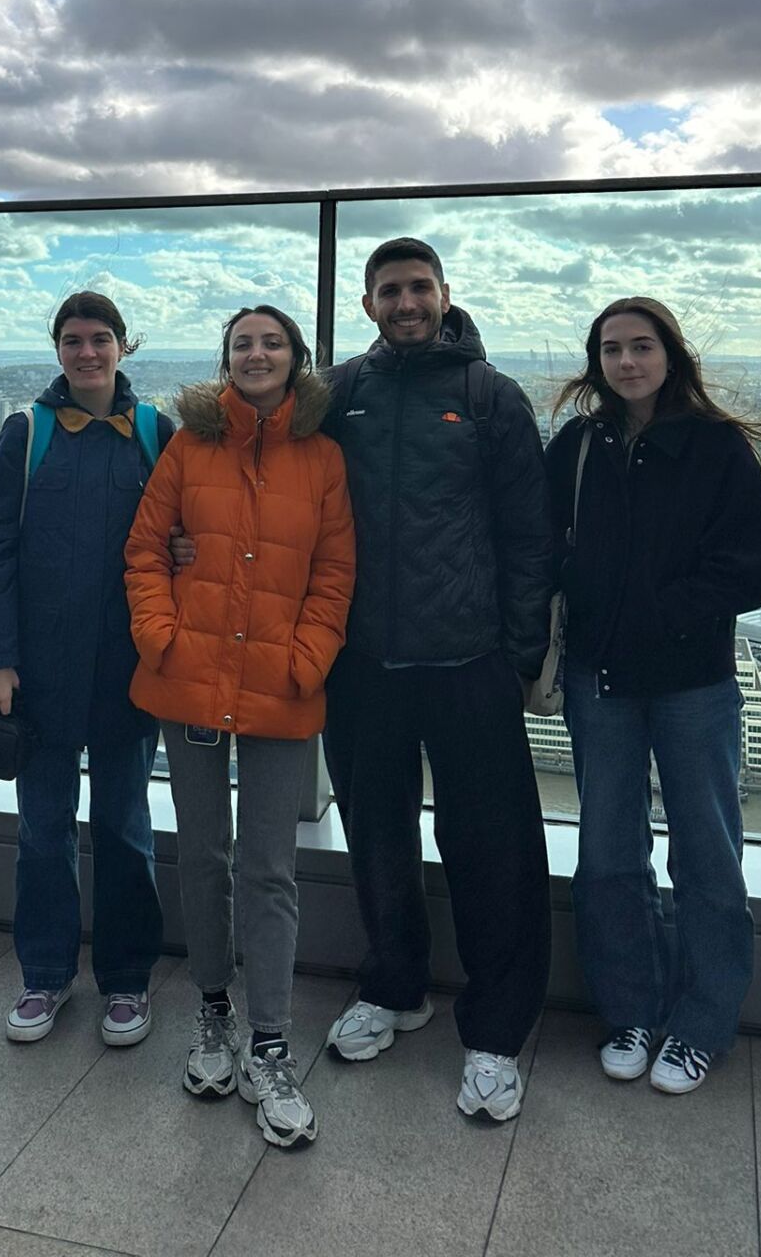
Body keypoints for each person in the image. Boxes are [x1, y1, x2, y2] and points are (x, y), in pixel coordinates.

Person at [318, 239, 553, 1124]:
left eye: (419, 288)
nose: (406, 302)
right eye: (391, 291)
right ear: (370, 304)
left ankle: (494, 1031)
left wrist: (518, 655)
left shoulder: (489, 395)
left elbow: (529, 536)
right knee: (376, 837)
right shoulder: (343, 394)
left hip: (469, 664)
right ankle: (394, 985)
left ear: (445, 294)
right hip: (364, 664)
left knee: (493, 851)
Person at [125, 305, 354, 1151]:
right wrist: (162, 637)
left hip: (281, 690)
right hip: (189, 682)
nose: (256, 354)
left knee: (270, 869)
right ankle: (212, 1015)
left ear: (296, 359)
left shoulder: (323, 457)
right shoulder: (190, 446)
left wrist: (308, 657)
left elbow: (335, 571)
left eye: (272, 343)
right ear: (226, 360)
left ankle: (270, 1042)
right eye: (242, 344)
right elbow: (146, 550)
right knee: (204, 858)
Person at [546, 297, 761, 1095]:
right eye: (611, 349)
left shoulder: (717, 448)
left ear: (671, 356)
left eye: (640, 347)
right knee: (608, 855)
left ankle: (702, 1025)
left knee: (708, 856)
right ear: (596, 362)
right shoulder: (578, 444)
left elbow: (749, 569)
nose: (626, 362)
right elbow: (543, 544)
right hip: (599, 683)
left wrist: (656, 615)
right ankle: (631, 1012)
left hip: (693, 684)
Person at [0, 292, 173, 1049]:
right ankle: (45, 975)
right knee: (42, 831)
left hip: (128, 670)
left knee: (125, 829)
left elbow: (187, 536)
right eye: (73, 340)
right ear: (57, 349)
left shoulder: (154, 431)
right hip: (39, 677)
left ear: (124, 347)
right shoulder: (28, 431)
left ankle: (126, 981)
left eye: (101, 339)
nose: (87, 352)